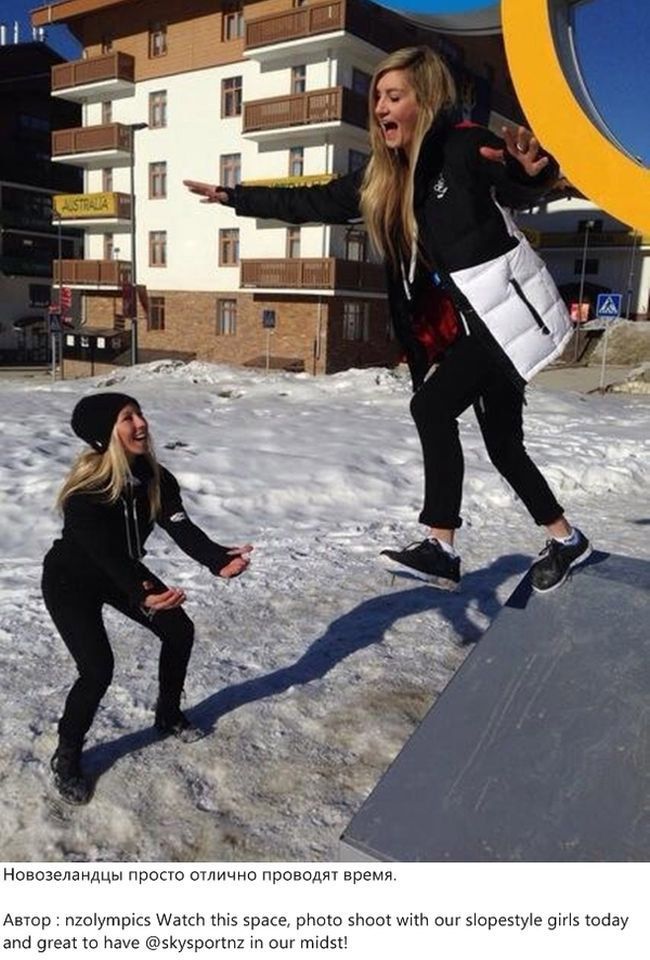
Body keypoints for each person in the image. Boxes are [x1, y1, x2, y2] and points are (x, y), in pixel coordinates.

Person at [184, 45, 590, 594]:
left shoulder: (464, 145)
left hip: (508, 315)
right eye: (377, 96)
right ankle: (567, 539)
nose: (380, 107)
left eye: (393, 96)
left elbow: (516, 179)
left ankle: (441, 545)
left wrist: (535, 171)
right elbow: (316, 202)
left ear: (426, 100)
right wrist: (235, 197)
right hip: (470, 327)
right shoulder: (385, 176)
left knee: (432, 407)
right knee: (502, 445)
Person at [42, 393, 253, 804]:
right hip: (72, 580)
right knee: (97, 669)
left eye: (139, 414)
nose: (141, 424)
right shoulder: (86, 491)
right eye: (127, 418)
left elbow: (180, 525)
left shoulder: (154, 477)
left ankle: (168, 714)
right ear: (105, 434)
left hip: (121, 572)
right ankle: (66, 754)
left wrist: (218, 560)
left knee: (178, 630)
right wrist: (142, 593)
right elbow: (103, 554)